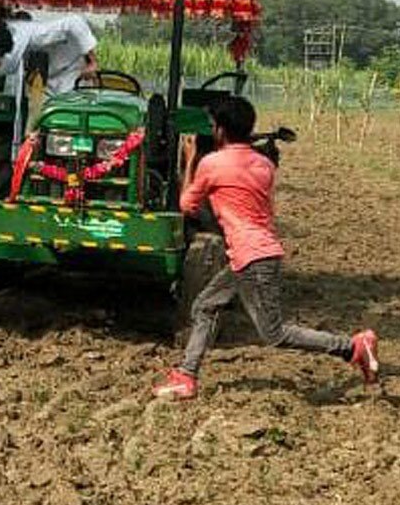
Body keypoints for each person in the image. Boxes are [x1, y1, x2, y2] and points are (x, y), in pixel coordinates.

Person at [151, 96, 379, 400]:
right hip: (257, 252)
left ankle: (352, 347)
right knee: (205, 306)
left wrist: (191, 158)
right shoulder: (264, 164)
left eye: (212, 125)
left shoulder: (212, 163)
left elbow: (187, 204)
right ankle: (186, 376)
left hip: (251, 258)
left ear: (219, 130)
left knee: (274, 334)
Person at [0, 15, 99, 151]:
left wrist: (92, 62)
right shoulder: (15, 43)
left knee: (70, 129)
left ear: (0, 52)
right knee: (42, 129)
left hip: (72, 74)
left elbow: (75, 22)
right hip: (48, 80)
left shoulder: (36, 35)